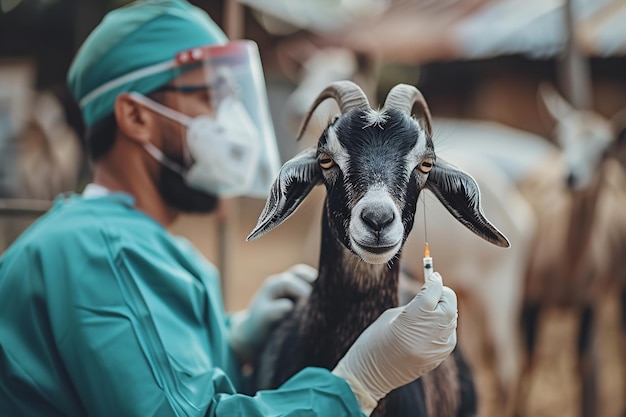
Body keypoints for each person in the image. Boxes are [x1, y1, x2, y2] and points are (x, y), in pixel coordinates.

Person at [0, 1, 458, 416]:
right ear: (136, 118)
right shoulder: (103, 255)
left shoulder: (137, 244)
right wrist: (356, 383)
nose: (233, 122)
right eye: (209, 96)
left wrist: (230, 340)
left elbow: (166, 381)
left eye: (232, 96)